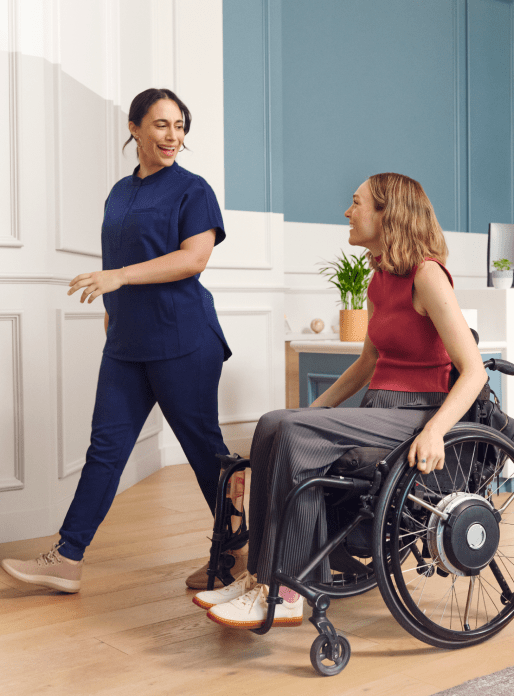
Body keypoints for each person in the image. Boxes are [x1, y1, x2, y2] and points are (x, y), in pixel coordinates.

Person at [192, 172, 487, 629]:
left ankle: (286, 591)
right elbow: (367, 363)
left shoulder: (427, 276)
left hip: (418, 411)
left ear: (388, 213)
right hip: (380, 408)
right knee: (276, 422)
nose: (347, 212)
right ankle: (262, 576)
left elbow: (474, 371)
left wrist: (434, 431)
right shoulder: (379, 279)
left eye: (356, 202)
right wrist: (316, 409)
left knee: (291, 432)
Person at [2, 88, 246, 593]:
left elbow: (193, 258)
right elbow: (117, 258)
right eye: (161, 125)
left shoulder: (192, 189)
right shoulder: (119, 192)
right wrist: (113, 313)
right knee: (105, 450)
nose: (173, 136)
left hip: (184, 340)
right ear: (134, 127)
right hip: (127, 344)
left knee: (205, 454)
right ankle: (67, 558)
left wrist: (119, 279)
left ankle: (237, 554)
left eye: (180, 126)